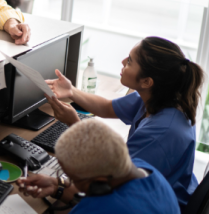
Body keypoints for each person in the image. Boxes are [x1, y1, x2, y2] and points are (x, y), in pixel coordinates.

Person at [44, 36, 202, 209]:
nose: (123, 61)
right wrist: (71, 91)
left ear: (147, 81)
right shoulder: (157, 96)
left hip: (153, 205)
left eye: (130, 61)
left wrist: (75, 123)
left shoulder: (160, 134)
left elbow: (113, 178)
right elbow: (106, 108)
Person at [17, 119, 180, 214]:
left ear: (99, 180)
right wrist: (57, 186)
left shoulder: (99, 209)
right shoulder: (146, 170)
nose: (70, 181)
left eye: (73, 178)